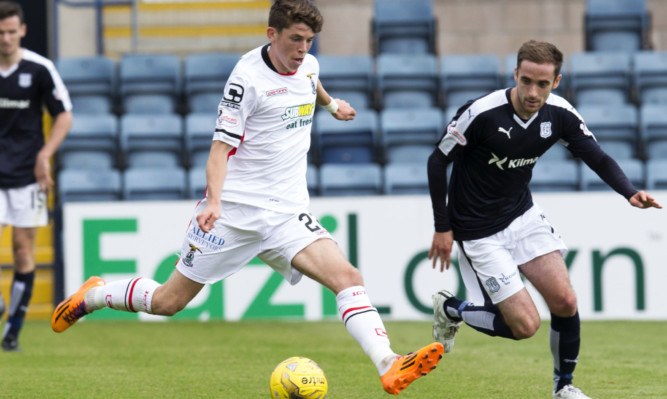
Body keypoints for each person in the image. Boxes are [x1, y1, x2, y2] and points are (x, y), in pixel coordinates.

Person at [52, 0, 443, 394]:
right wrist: (215, 202)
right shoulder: (246, 81)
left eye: (309, 40)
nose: (303, 49)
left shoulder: (308, 63)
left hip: (287, 213)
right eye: (294, 39)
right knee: (168, 302)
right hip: (234, 213)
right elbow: (219, 150)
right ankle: (94, 296)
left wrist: (331, 105)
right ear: (271, 34)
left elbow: (311, 81)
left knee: (347, 277)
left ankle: (389, 363)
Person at [426, 40, 661, 399]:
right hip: (478, 232)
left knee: (565, 302)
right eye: (526, 81)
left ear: (557, 81)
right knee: (524, 326)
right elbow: (437, 161)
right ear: (515, 75)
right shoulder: (482, 113)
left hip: (522, 216)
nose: (533, 92)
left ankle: (563, 387)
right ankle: (451, 308)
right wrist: (442, 227)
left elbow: (597, 157)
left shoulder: (560, 114)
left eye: (543, 84)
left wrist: (628, 191)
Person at [0, 1, 72, 352]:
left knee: (23, 250)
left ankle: (12, 328)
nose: (6, 38)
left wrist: (45, 154)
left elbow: (64, 115)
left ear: (22, 31)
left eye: (12, 31)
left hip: (28, 176)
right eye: (0, 33)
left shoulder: (40, 69)